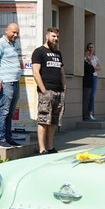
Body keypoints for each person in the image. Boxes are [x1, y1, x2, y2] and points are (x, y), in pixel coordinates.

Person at [0, 22, 23, 148]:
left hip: (15, 82)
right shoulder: (0, 43)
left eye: (17, 32)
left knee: (10, 112)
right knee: (4, 111)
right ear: (6, 30)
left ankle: (8, 138)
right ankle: (0, 139)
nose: (15, 34)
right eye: (13, 32)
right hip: (6, 82)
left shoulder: (12, 44)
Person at [32, 26, 65, 154]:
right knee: (43, 120)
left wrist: (64, 88)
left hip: (58, 91)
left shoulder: (58, 53)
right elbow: (35, 72)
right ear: (47, 36)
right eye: (53, 36)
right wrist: (43, 90)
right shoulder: (39, 52)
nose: (55, 39)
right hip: (47, 91)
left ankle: (50, 147)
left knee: (53, 121)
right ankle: (42, 149)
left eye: (57, 37)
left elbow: (62, 72)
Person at [82, 42, 100, 121]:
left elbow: (99, 67)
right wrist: (93, 67)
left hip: (94, 77)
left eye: (92, 47)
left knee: (92, 96)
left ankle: (90, 113)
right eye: (89, 47)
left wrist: (93, 67)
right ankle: (87, 113)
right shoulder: (85, 57)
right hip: (89, 77)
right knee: (88, 96)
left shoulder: (95, 58)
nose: (90, 49)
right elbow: (91, 68)